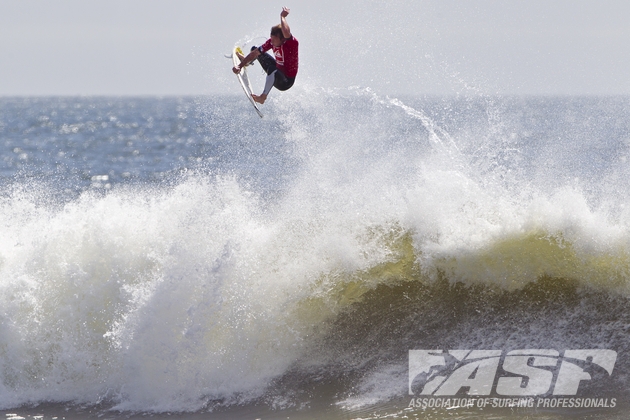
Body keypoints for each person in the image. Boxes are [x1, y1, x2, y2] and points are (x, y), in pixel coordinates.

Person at [232, 7, 299, 104]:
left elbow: (286, 32)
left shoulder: (291, 44)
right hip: (276, 71)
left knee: (272, 69)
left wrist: (282, 16)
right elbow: (256, 53)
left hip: (285, 82)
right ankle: (247, 63)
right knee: (255, 50)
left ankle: (263, 97)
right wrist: (240, 65)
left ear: (283, 39)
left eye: (274, 39)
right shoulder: (271, 42)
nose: (271, 41)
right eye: (271, 38)